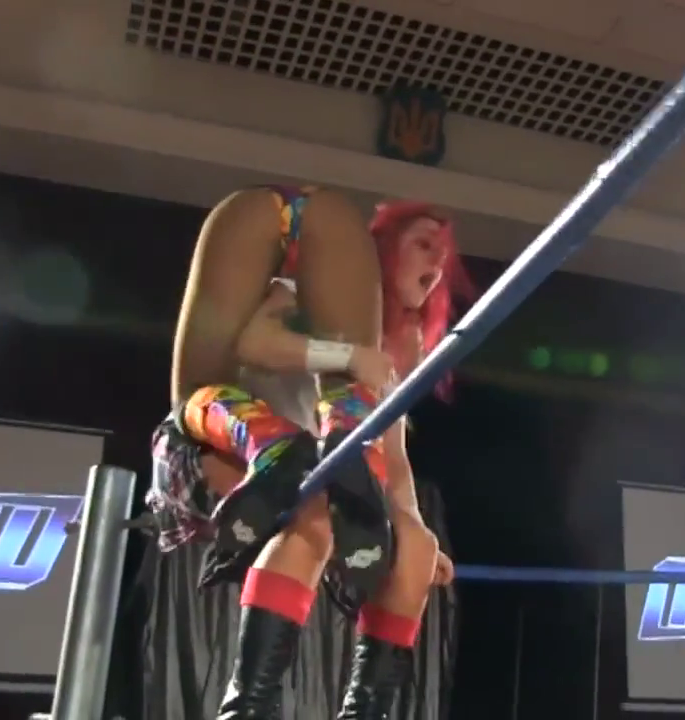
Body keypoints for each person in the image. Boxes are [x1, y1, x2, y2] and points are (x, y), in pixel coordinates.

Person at [147, 189, 472, 719]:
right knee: (315, 517)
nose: (437, 262)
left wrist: (410, 521)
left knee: (416, 547)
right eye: (423, 244)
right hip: (239, 444)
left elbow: (393, 452)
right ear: (385, 249)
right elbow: (252, 342)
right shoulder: (314, 292)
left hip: (323, 468)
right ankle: (246, 709)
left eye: (443, 252)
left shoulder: (405, 342)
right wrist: (345, 355)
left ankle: (364, 713)